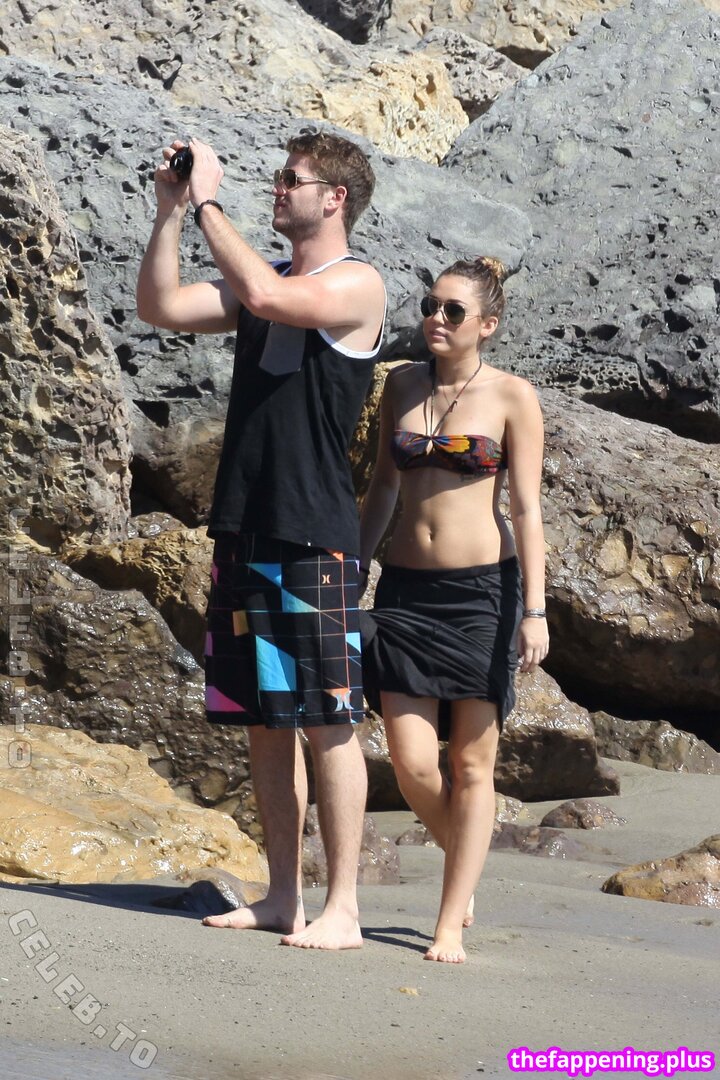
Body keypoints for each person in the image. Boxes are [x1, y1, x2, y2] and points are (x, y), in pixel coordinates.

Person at [137, 129, 386, 950]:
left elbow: (274, 301)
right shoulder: (265, 277)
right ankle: (283, 896)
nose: (278, 189)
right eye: (278, 178)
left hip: (313, 532)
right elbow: (160, 308)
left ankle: (343, 907)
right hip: (244, 524)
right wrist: (172, 211)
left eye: (292, 179)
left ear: (335, 197)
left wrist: (210, 198)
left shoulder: (357, 283)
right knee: (264, 721)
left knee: (329, 720)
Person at [359, 257, 548, 963]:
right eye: (430, 305)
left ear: (487, 325)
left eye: (454, 311)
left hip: (482, 597)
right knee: (412, 764)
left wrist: (535, 610)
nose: (436, 319)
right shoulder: (401, 385)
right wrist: (353, 568)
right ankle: (463, 861)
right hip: (405, 593)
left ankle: (447, 923)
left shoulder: (512, 396)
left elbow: (526, 510)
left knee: (471, 764)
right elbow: (382, 487)